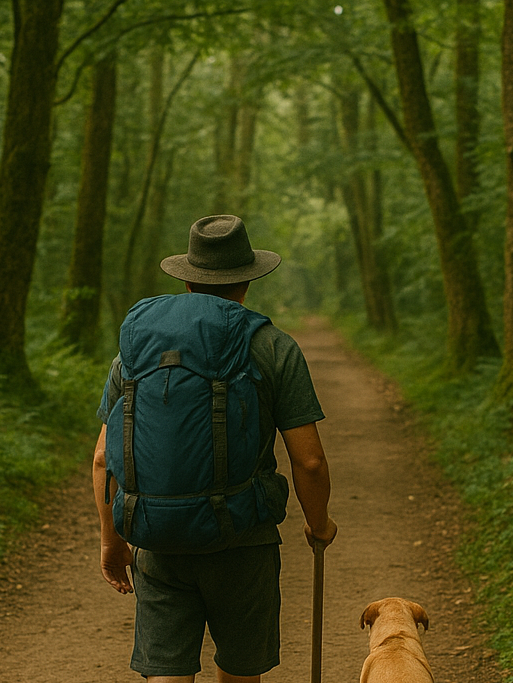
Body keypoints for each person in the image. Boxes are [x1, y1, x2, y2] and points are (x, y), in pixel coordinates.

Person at [92, 214, 337, 683]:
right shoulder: (272, 346)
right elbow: (309, 459)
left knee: (167, 674)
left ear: (187, 278)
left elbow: (104, 458)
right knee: (240, 673)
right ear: (248, 278)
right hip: (243, 541)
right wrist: (318, 522)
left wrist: (111, 540)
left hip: (160, 540)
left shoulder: (137, 350)